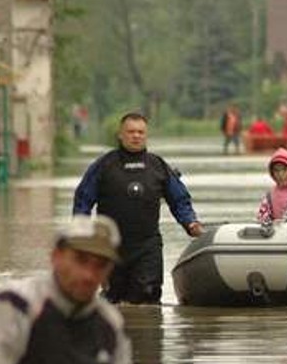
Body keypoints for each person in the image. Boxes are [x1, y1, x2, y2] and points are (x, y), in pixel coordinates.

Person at [0, 215, 143, 364]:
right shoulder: (16, 306)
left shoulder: (110, 324)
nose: (89, 275)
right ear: (56, 256)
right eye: (81, 260)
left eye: (101, 265)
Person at [73, 112, 204, 305]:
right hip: (111, 248)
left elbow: (179, 200)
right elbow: (83, 200)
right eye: (131, 132)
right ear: (120, 135)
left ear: (146, 135)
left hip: (147, 247)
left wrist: (190, 223)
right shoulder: (104, 166)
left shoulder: (157, 165)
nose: (136, 136)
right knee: (113, 301)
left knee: (147, 301)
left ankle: (148, 333)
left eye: (141, 132)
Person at [257, 147, 287, 224]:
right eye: (276, 170)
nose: (280, 174)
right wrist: (272, 223)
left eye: (284, 169)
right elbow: (262, 220)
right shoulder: (270, 196)